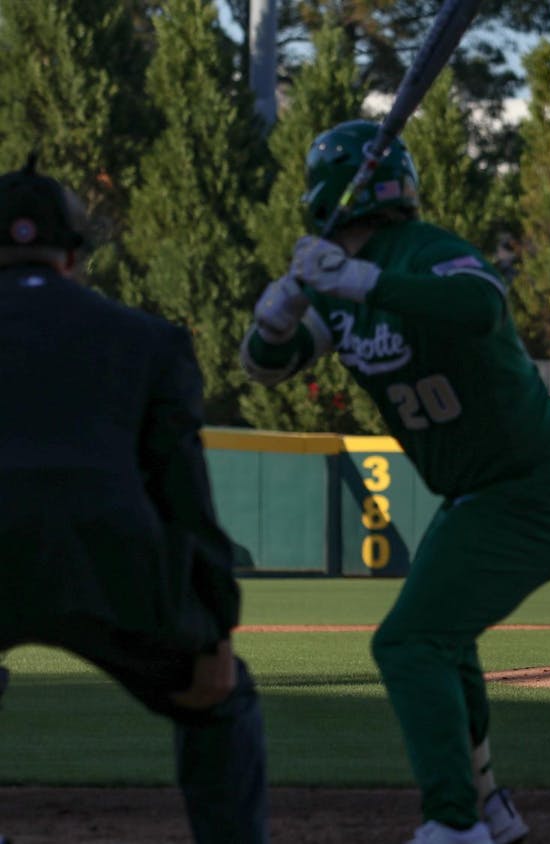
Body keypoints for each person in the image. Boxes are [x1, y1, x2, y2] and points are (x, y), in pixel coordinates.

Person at [240, 121, 550, 844]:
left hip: (531, 489)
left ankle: (453, 822)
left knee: (409, 643)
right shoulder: (336, 283)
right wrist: (274, 322)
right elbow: (262, 367)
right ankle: (489, 807)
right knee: (444, 641)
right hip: (475, 496)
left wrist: (364, 280)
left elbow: (480, 307)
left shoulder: (428, 251)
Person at [0, 156, 267, 843]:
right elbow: (182, 493)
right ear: (74, 256)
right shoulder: (149, 340)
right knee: (219, 702)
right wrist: (214, 631)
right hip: (113, 562)